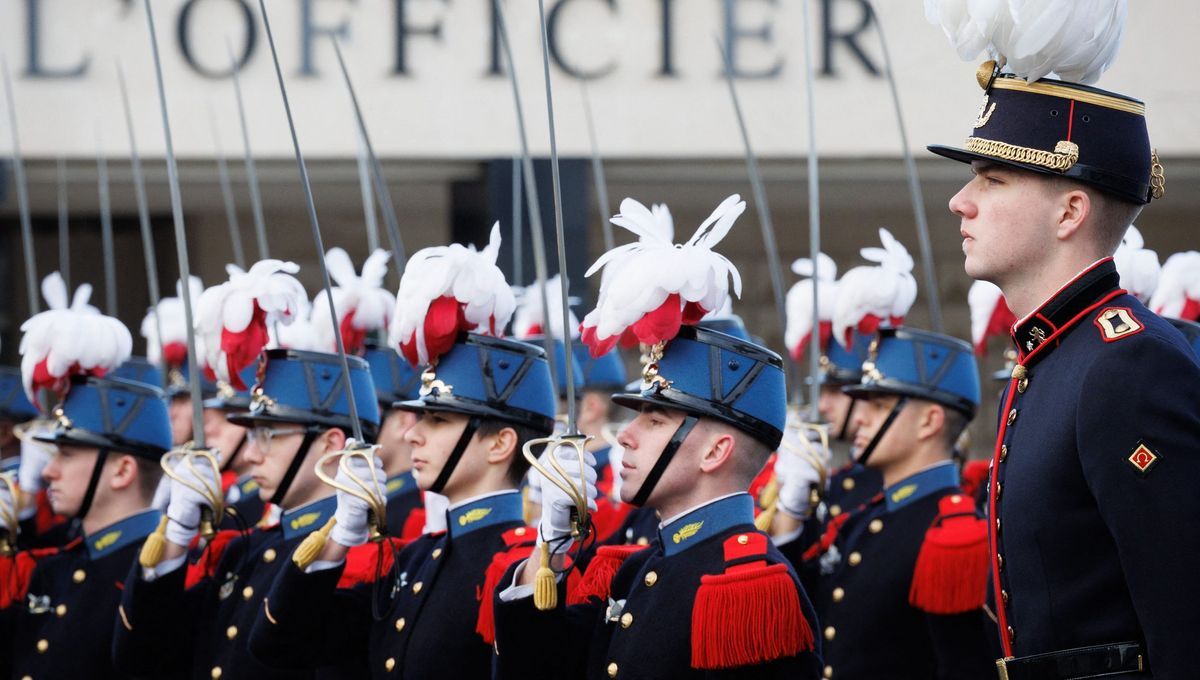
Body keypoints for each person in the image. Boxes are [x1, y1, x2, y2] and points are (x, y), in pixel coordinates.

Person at [927, 11, 1200, 674]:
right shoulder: (1055, 358)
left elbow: (1185, 619)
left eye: (992, 180)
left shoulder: (1125, 364)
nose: (961, 202)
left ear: (1070, 212)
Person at [493, 194, 822, 679]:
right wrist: (550, 553)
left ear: (715, 450)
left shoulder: (746, 587)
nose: (624, 436)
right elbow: (537, 668)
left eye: (654, 420)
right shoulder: (636, 570)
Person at [247, 225, 554, 679]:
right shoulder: (412, 560)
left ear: (500, 443)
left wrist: (553, 552)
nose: (412, 435)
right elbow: (279, 647)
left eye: (437, 421)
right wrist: (334, 542)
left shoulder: (520, 566)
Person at [112, 348, 380, 680]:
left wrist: (339, 536)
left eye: (267, 436)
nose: (251, 454)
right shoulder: (242, 552)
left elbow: (288, 644)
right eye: (251, 436)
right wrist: (177, 533)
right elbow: (142, 655)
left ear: (330, 443)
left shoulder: (366, 559)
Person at [788, 327, 994, 679]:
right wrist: (789, 519)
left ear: (929, 421)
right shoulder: (866, 517)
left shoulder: (954, 534)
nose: (862, 418)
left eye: (880, 406)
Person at [1, 374, 171, 679]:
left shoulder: (159, 576)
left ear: (122, 471)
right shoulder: (54, 568)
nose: (49, 471)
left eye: (66, 455)